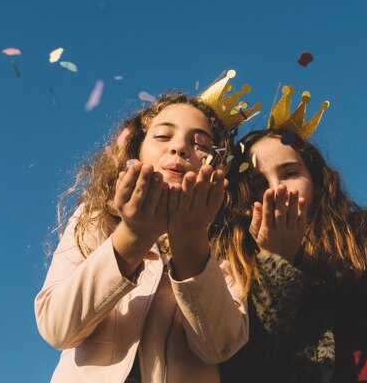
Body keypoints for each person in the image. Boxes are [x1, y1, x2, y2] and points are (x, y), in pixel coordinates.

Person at [35, 71, 258, 383]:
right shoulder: (96, 217)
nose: (179, 148)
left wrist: (191, 237)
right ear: (136, 151)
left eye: (200, 143)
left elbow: (218, 347)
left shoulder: (225, 238)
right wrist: (132, 237)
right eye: (163, 136)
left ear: (216, 163)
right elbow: (57, 327)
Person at [215, 86, 367, 383]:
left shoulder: (366, 237)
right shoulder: (231, 262)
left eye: (290, 173)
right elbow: (252, 367)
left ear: (317, 182)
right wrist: (276, 261)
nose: (277, 189)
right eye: (258, 183)